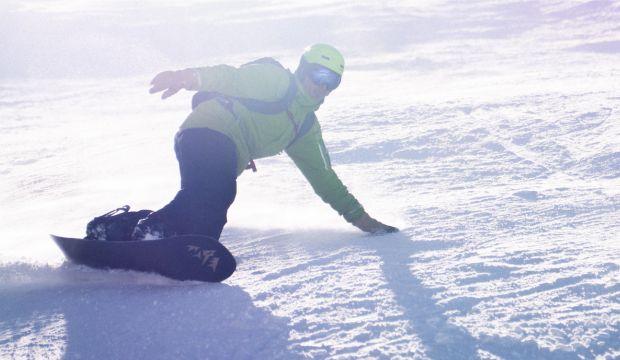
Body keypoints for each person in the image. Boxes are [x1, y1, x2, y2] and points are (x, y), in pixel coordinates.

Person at [132, 44, 398, 241]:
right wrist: (187, 77)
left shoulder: (305, 127)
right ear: (304, 70)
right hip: (207, 132)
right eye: (319, 75)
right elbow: (230, 77)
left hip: (218, 151)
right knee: (216, 193)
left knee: (208, 215)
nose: (322, 85)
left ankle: (129, 232)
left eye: (332, 81)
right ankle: (151, 232)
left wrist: (363, 220)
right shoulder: (275, 80)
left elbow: (324, 179)